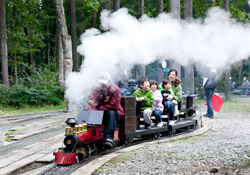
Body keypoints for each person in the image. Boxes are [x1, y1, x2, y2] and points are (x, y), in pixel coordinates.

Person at [88, 72, 124, 149]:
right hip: (99, 112)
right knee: (87, 113)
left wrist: (100, 109)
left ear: (109, 82)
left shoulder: (115, 89)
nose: (103, 85)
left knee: (111, 113)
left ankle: (109, 138)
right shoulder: (95, 90)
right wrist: (94, 115)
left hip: (114, 112)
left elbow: (113, 106)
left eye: (105, 83)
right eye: (101, 83)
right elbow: (91, 103)